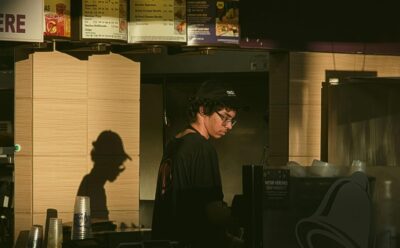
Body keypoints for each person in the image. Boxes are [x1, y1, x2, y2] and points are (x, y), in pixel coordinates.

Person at [151, 80, 240, 248]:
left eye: (232, 121)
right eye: (224, 118)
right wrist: (238, 219)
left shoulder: (175, 143)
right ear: (203, 110)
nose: (229, 126)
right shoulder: (202, 149)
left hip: (167, 240)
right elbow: (213, 211)